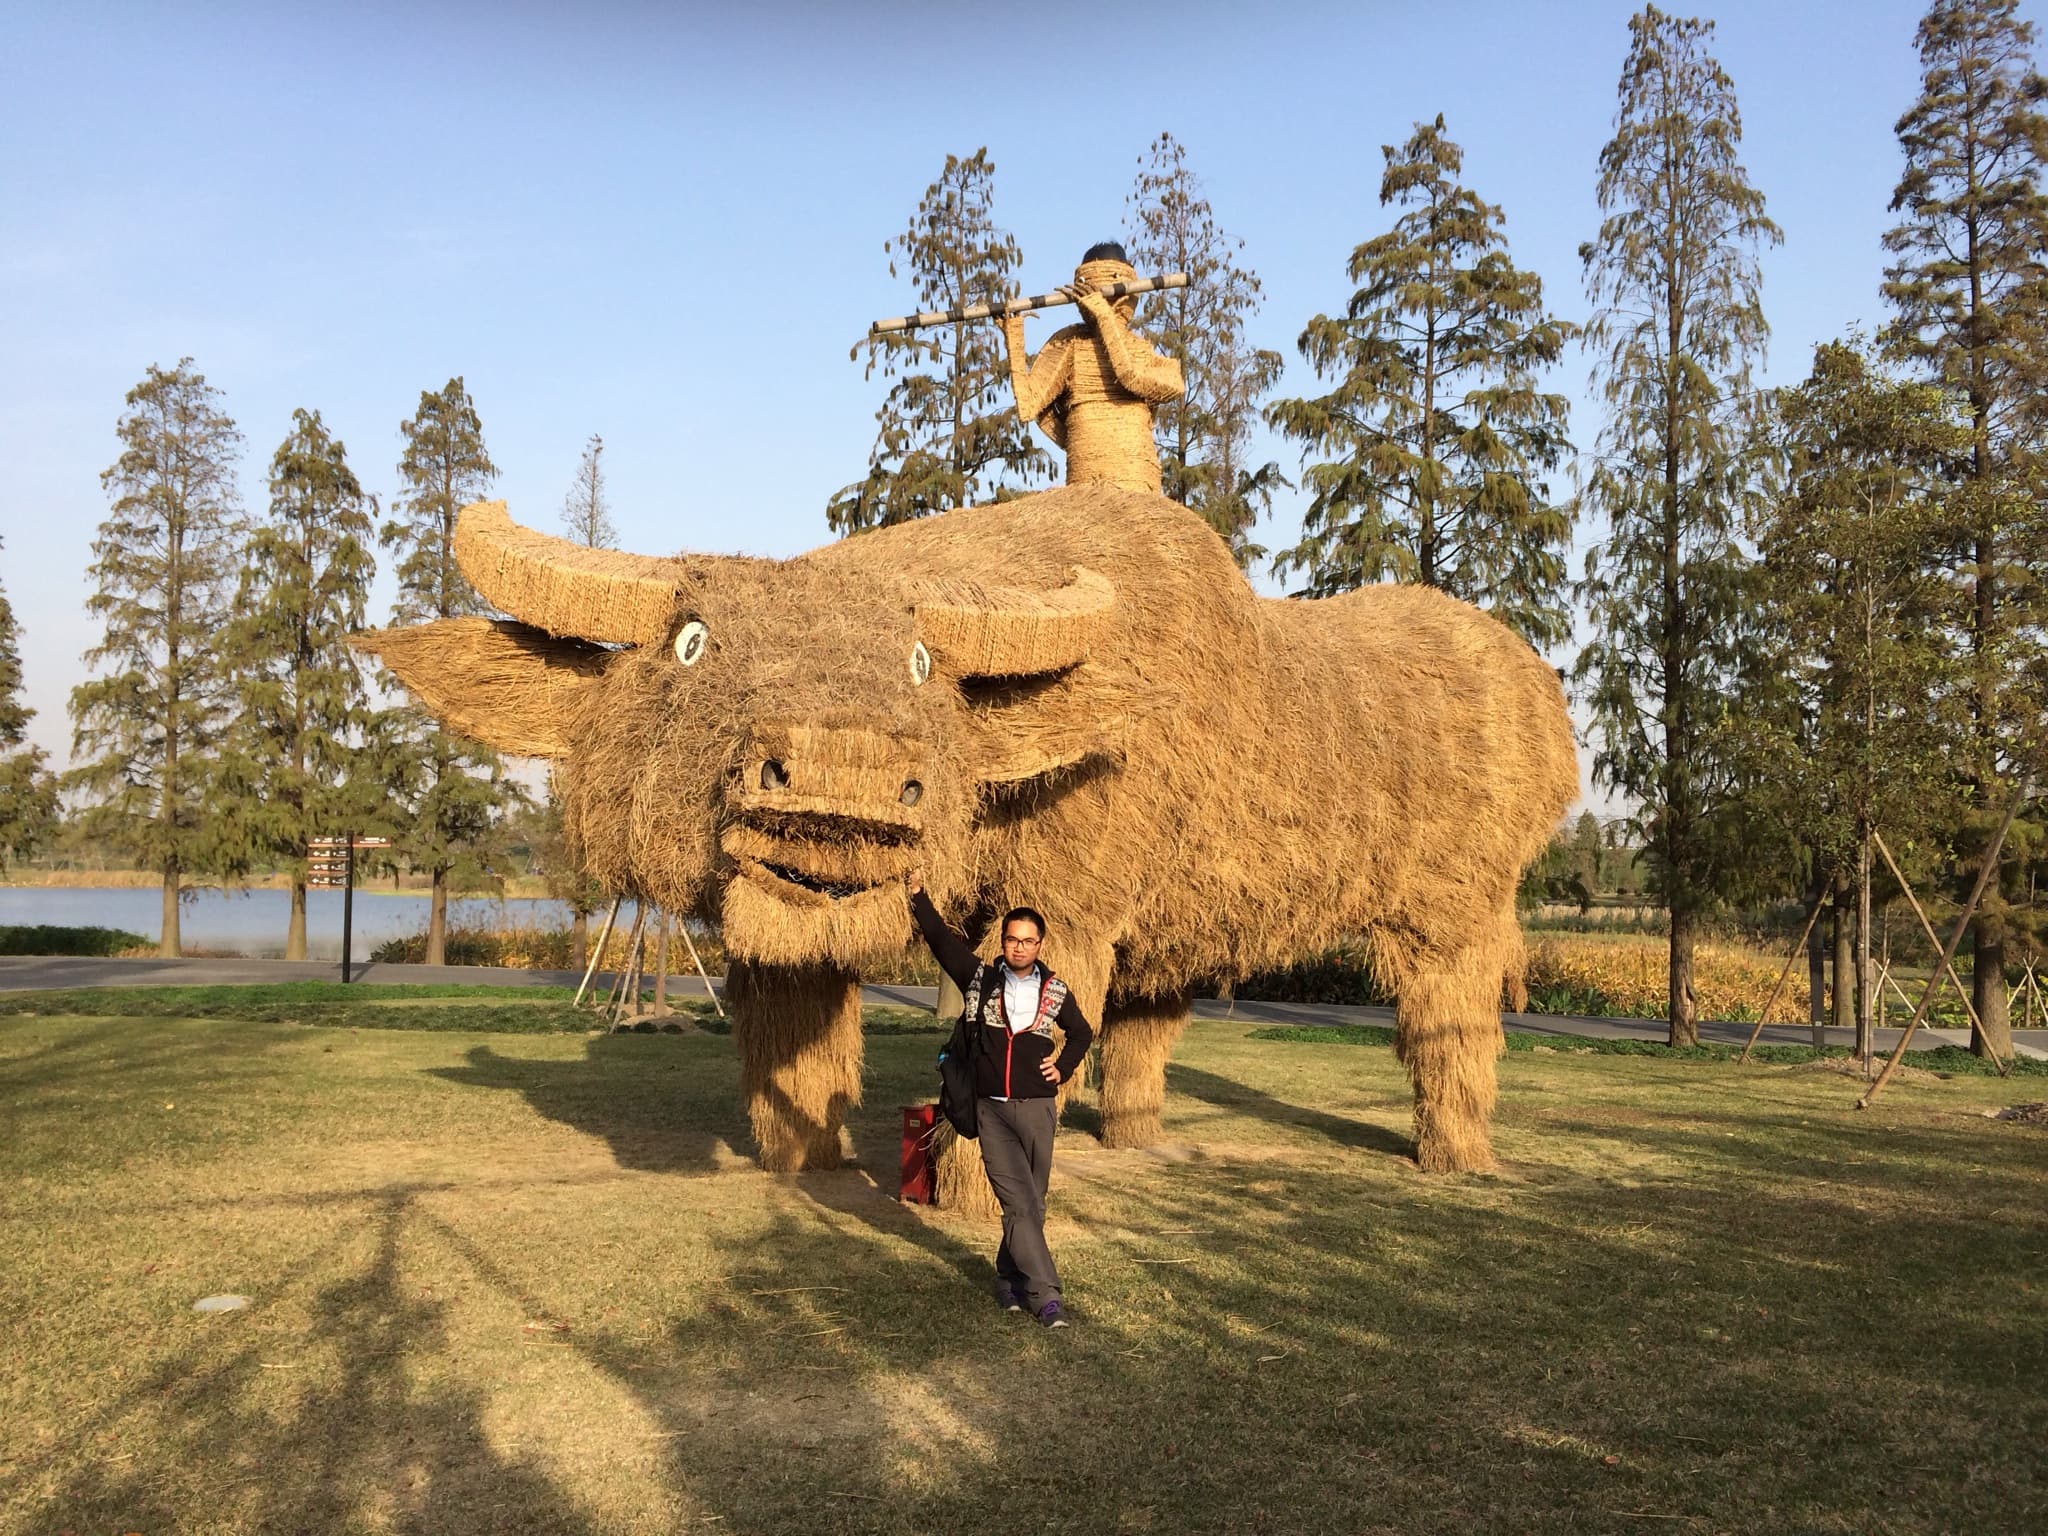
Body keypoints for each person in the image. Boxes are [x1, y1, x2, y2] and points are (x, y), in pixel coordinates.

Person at [908, 876, 1093, 1328]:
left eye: (1028, 941)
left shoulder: (1055, 990)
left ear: (1039, 944)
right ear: (1003, 941)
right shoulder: (980, 979)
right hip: (991, 1110)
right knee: (1017, 1203)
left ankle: (1008, 1279)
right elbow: (941, 941)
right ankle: (1046, 1296)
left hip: (1037, 1109)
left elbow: (1082, 1032)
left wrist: (1063, 1067)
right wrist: (918, 896)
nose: (1020, 947)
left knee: (1033, 1204)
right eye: (1013, 939)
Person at [997, 240, 1184, 494]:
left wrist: (1105, 317)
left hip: (1135, 478)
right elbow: (1028, 406)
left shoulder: (1140, 350)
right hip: (1084, 481)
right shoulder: (1071, 343)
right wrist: (1014, 337)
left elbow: (1132, 376)